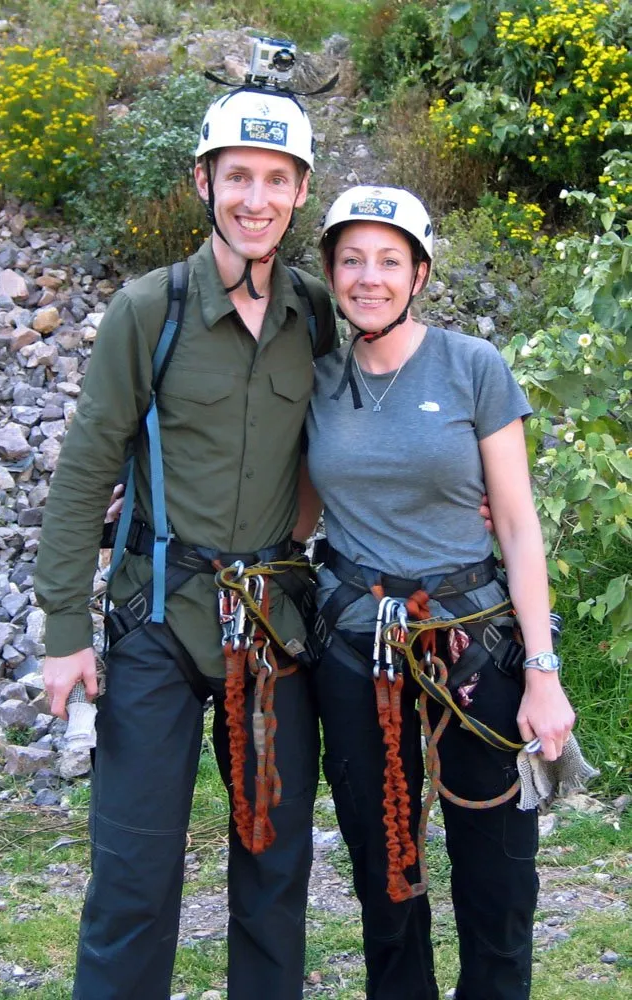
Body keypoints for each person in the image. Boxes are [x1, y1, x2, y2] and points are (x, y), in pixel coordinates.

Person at [33, 84, 338, 1000]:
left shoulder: (318, 315)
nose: (256, 198)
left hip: (273, 627)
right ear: (201, 182)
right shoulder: (148, 309)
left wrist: (465, 497)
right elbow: (87, 466)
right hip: (156, 619)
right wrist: (63, 629)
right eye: (237, 175)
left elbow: (367, 434)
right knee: (132, 874)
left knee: (275, 877)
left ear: (298, 191)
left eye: (276, 179)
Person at [303, 186, 576, 1000]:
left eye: (389, 260)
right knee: (381, 863)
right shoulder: (314, 380)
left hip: (471, 641)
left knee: (495, 868)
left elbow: (518, 526)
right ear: (330, 273)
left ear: (418, 273)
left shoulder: (470, 367)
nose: (369, 278)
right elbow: (293, 511)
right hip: (358, 643)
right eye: (350, 260)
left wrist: (542, 668)